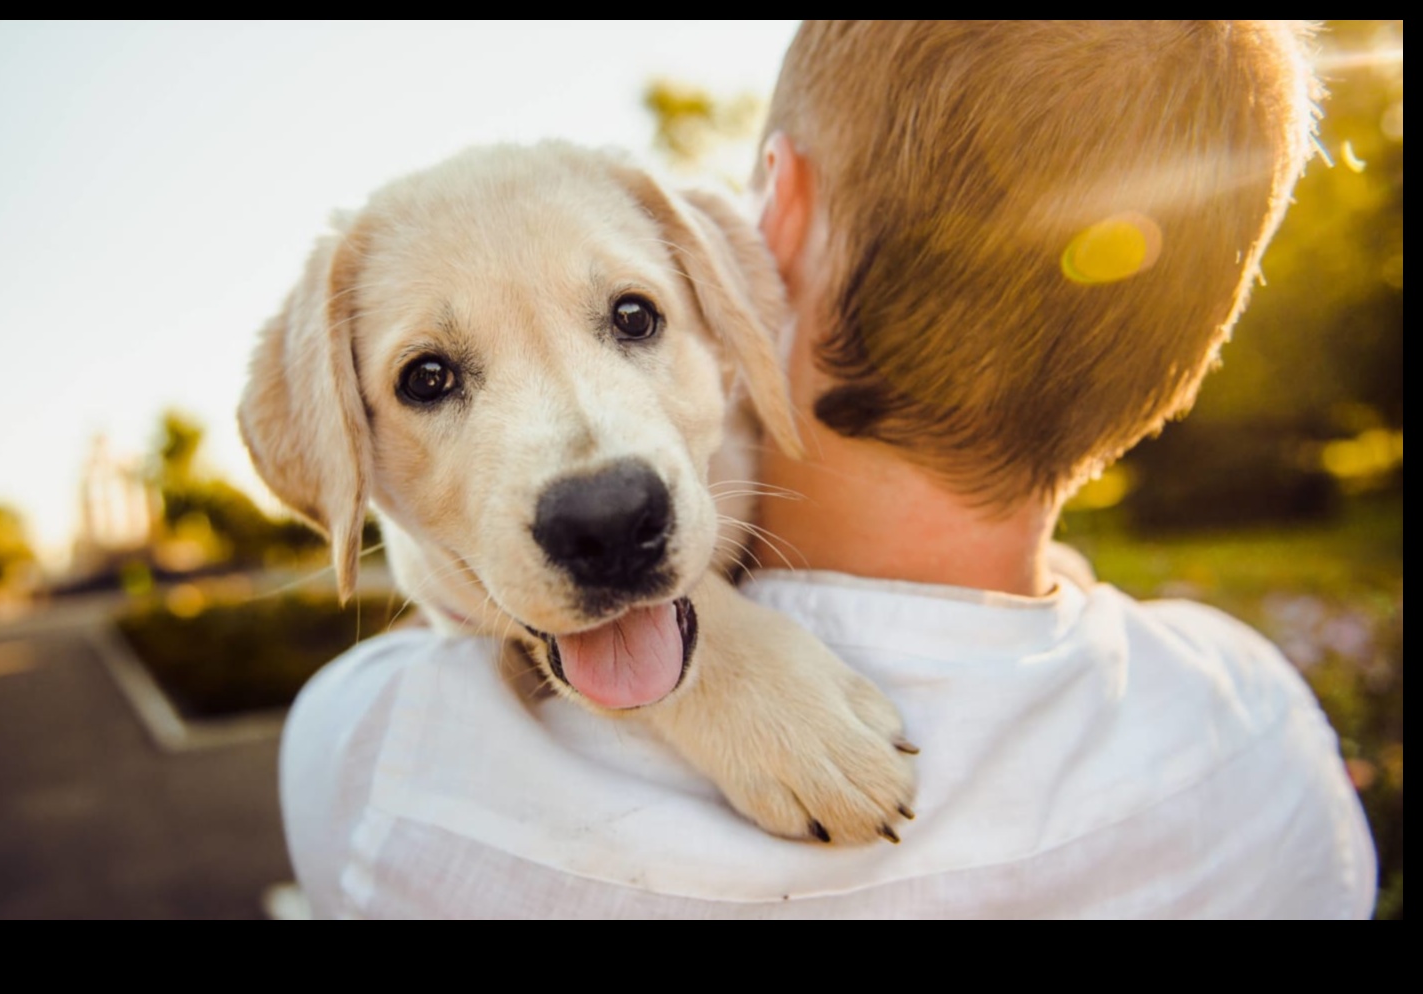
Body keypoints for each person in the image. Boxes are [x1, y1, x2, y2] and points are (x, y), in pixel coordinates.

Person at [279, 20, 1376, 917]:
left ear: (771, 227)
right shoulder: (1263, 739)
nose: (596, 479)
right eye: (430, 378)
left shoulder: (380, 765)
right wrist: (713, 662)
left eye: (629, 316)